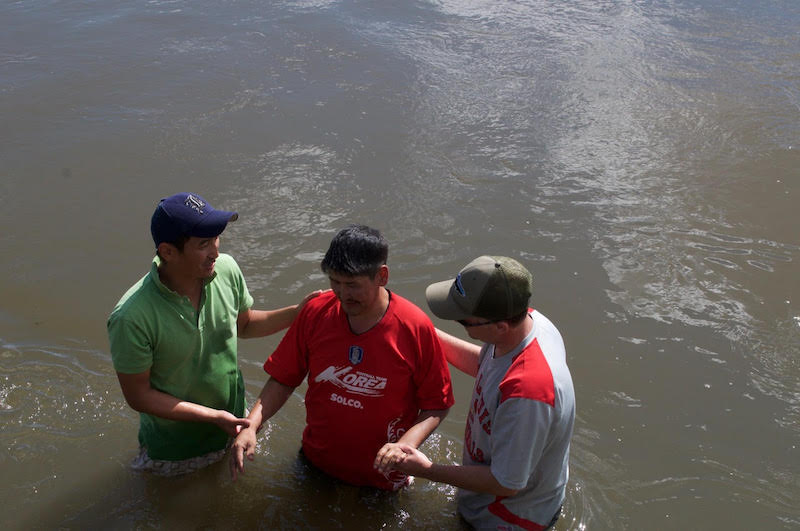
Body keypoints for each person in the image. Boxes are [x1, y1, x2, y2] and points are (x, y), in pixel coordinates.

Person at [108, 192, 321, 476]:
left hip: (233, 427)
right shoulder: (132, 316)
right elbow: (139, 396)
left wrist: (297, 312)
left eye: (216, 239)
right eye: (204, 244)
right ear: (168, 252)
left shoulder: (225, 270)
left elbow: (243, 326)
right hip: (174, 452)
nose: (216, 252)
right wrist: (212, 417)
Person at [230, 224, 455, 490]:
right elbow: (283, 379)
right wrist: (252, 425)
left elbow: (437, 404)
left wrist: (405, 445)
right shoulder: (315, 313)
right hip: (316, 461)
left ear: (381, 276)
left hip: (383, 475)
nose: (342, 294)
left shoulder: (414, 327)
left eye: (352, 285)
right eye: (334, 282)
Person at [375, 256, 575, 530]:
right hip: (490, 496)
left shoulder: (529, 392)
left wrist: (426, 470)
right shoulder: (531, 323)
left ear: (500, 326)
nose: (458, 322)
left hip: (507, 519)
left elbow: (507, 484)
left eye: (463, 320)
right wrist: (421, 332)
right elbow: (486, 365)